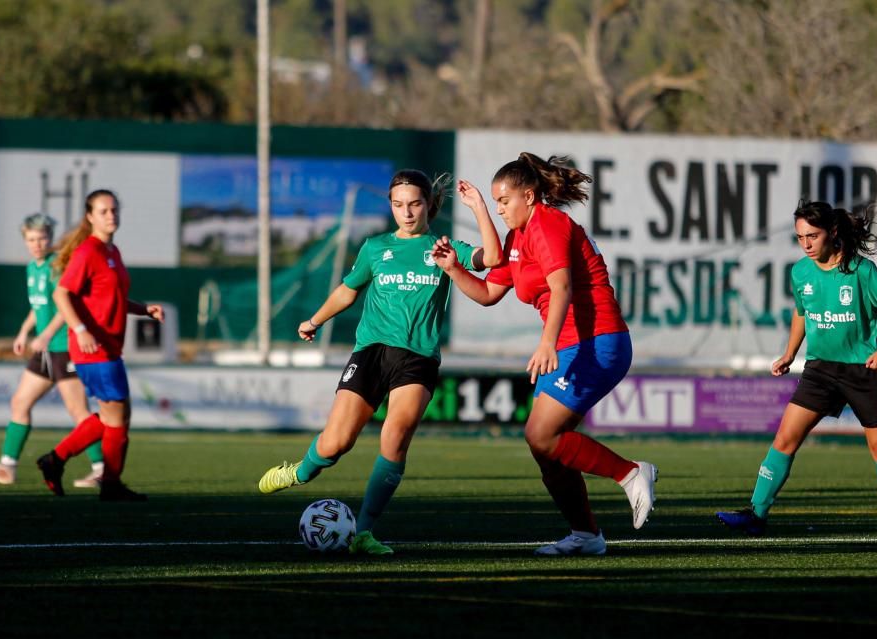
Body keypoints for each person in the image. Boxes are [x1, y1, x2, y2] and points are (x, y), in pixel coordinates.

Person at [257, 169, 502, 555]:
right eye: (398, 205)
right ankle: (300, 471)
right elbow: (347, 290)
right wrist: (315, 321)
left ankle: (364, 533)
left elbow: (492, 258)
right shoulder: (375, 248)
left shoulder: (443, 246)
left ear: (429, 205)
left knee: (395, 435)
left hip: (417, 358)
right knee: (335, 444)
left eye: (415, 204)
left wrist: (480, 210)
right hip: (370, 352)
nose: (406, 212)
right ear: (390, 206)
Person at [432, 152, 658, 556]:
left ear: (530, 196)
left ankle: (631, 472)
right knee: (545, 449)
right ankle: (586, 536)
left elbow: (563, 288)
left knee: (541, 435)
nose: (500, 209)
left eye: (505, 201)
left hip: (596, 339)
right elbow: (487, 294)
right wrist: (454, 269)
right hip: (572, 342)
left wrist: (547, 342)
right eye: (496, 202)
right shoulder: (517, 237)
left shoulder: (549, 223)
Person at [717, 200, 877, 539]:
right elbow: (802, 313)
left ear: (832, 233)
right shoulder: (800, 272)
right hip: (820, 369)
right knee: (785, 438)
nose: (806, 244)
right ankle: (756, 515)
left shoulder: (860, 270)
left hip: (863, 370)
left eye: (813, 236)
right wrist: (789, 353)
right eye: (799, 237)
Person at [35, 189, 164, 502]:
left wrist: (144, 309)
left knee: (116, 417)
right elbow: (61, 295)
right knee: (116, 418)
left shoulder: (112, 251)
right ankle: (109, 483)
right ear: (90, 216)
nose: (111, 215)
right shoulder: (88, 252)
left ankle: (58, 462)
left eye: (114, 210)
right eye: (104, 211)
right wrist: (80, 330)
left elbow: (114, 299)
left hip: (108, 347)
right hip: (94, 350)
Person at [0, 213, 104, 488]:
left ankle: (103, 470)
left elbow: (67, 308)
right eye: (31, 239)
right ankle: (7, 467)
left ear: (50, 238)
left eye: (42, 238)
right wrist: (23, 331)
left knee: (79, 412)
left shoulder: (58, 266)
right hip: (45, 351)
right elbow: (39, 305)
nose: (37, 243)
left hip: (65, 348)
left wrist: (45, 334)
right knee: (19, 403)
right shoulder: (32, 267)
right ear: (25, 241)